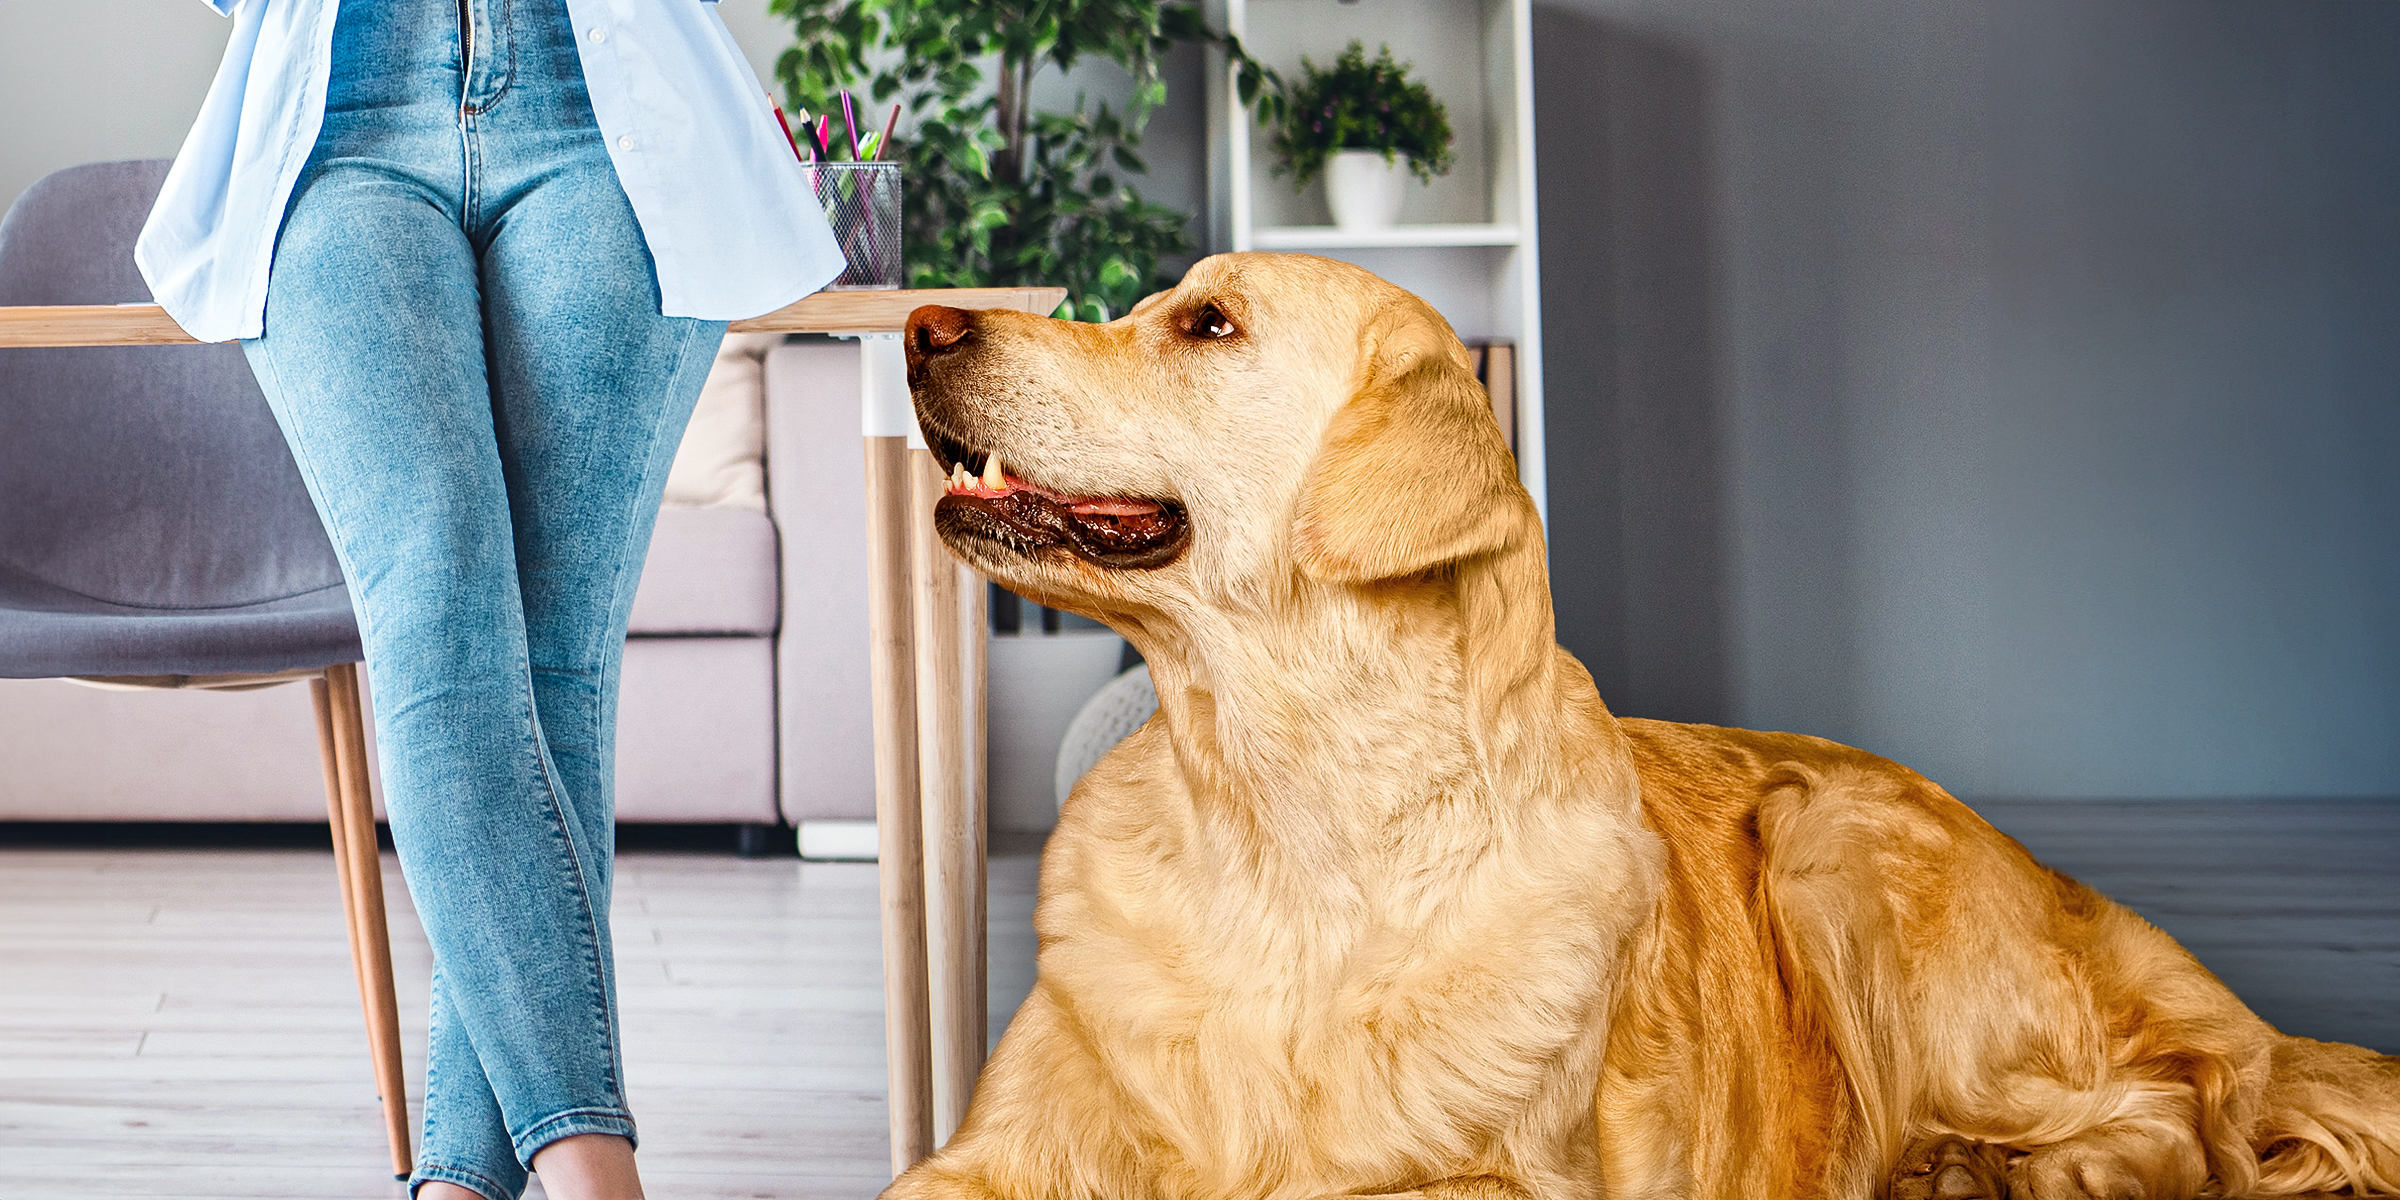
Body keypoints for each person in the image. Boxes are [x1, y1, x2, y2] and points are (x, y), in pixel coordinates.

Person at [137, 2, 845, 1197]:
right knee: (434, 612)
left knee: (553, 666)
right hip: (340, 122)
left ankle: (463, 1184)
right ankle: (592, 1174)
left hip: (606, 118)